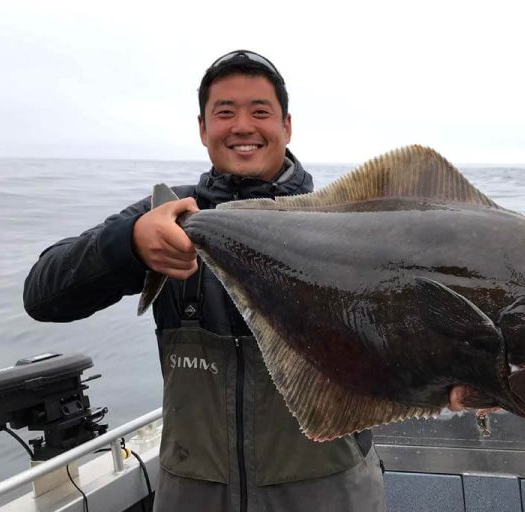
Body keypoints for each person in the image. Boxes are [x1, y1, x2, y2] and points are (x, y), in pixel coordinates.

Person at [23, 50, 386, 512]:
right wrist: (129, 243)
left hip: (328, 490)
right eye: (224, 112)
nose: (242, 126)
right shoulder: (167, 217)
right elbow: (42, 296)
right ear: (202, 128)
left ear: (286, 126)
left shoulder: (340, 223)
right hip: (192, 493)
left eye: (260, 111)